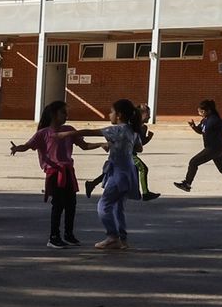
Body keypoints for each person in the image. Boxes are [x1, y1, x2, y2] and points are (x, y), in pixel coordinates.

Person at [11, 100, 102, 249]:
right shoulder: (43, 133)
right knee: (58, 205)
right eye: (63, 112)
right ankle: (53, 237)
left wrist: (101, 144)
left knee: (71, 204)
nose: (66, 115)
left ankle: (68, 234)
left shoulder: (69, 130)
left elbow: (84, 146)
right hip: (54, 173)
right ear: (54, 114)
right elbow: (28, 146)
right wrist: (17, 148)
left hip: (68, 171)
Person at [61, 99, 144, 251]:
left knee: (103, 205)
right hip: (129, 172)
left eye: (111, 112)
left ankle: (112, 237)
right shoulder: (133, 130)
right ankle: (123, 239)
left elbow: (89, 132)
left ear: (118, 115)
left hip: (118, 173)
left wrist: (66, 134)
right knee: (118, 207)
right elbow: (139, 148)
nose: (109, 114)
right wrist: (118, 146)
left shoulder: (116, 130)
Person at [175, 98, 222, 193]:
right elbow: (200, 131)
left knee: (193, 162)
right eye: (199, 111)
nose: (200, 113)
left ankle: (187, 184)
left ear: (209, 111)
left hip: (215, 148)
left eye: (202, 111)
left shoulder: (215, 120)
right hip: (216, 147)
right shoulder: (204, 120)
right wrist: (193, 127)